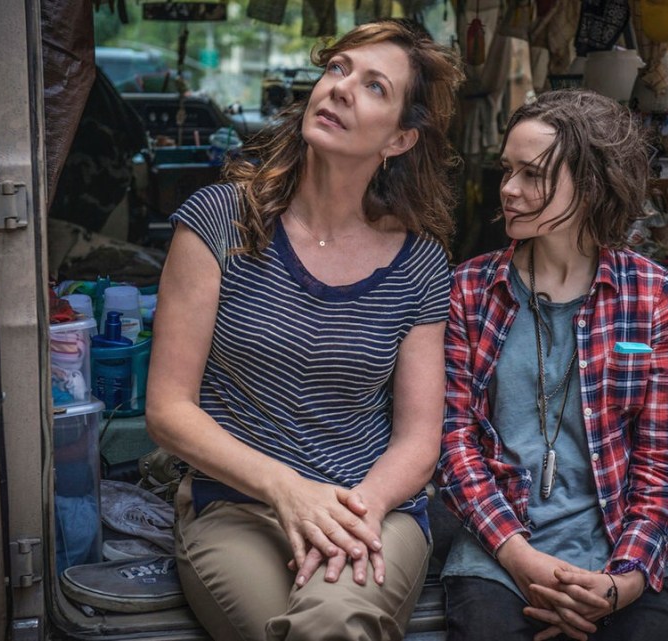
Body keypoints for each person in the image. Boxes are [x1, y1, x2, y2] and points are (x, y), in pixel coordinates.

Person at [145, 18, 463, 641]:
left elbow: (418, 440)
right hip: (236, 506)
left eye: (374, 86)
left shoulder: (420, 262)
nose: (341, 87)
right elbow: (167, 410)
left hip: (372, 507)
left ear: (400, 139)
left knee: (333, 619)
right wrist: (289, 491)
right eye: (338, 69)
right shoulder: (218, 222)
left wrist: (354, 514)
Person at [435, 89, 668, 641]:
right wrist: (521, 560)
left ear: (591, 183)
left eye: (532, 174)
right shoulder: (469, 290)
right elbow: (452, 441)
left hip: (620, 550)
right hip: (498, 551)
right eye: (507, 170)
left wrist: (622, 584)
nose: (508, 189)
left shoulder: (653, 295)